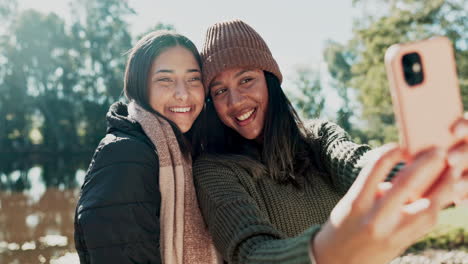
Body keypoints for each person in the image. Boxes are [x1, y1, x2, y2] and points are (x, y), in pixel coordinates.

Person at [193, 19, 468, 264]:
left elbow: (357, 162)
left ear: (270, 81)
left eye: (246, 80)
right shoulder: (214, 170)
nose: (235, 100)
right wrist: (322, 252)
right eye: (219, 91)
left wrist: (433, 169)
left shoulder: (319, 137)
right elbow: (249, 251)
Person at [74, 31, 221, 264]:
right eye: (165, 80)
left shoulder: (193, 152)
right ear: (140, 85)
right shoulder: (124, 155)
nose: (183, 94)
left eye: (193, 79)